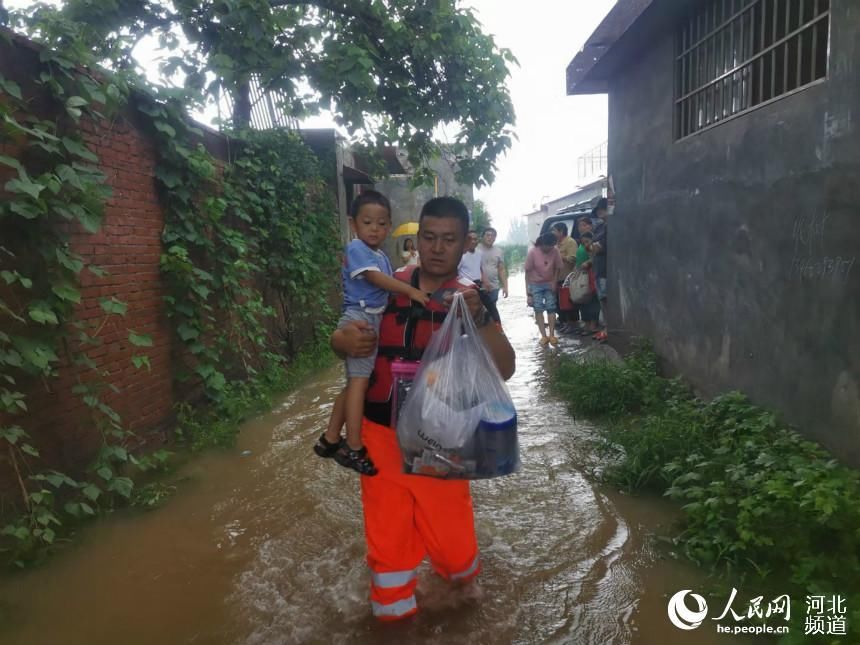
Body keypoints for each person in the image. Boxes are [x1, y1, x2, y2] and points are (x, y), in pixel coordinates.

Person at [330, 196, 515, 621]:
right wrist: (340, 342)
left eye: (448, 239)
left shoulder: (472, 300)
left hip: (442, 438)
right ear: (417, 239)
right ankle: (393, 619)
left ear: (465, 243)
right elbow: (342, 336)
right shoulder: (386, 283)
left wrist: (482, 320)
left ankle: (463, 598)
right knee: (388, 542)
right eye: (428, 237)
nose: (436, 247)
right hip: (379, 435)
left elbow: (504, 369)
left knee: (454, 551)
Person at [314, 191, 429, 475]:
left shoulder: (379, 255)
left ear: (389, 227)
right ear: (354, 224)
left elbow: (386, 287)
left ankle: (329, 439)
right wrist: (412, 291)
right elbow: (377, 280)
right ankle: (353, 447)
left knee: (353, 384)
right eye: (367, 222)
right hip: (361, 320)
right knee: (359, 385)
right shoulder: (356, 249)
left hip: (373, 319)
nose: (374, 229)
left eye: (381, 223)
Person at [525, 232, 564, 346]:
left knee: (551, 307)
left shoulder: (555, 251)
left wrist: (554, 282)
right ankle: (543, 336)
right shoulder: (533, 252)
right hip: (535, 284)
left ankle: (552, 334)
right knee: (538, 309)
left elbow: (557, 268)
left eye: (552, 246)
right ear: (542, 244)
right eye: (548, 246)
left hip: (549, 283)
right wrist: (528, 293)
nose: (550, 249)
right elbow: (527, 273)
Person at [551, 222, 578, 334]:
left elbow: (573, 258)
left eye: (554, 231)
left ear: (561, 231)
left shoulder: (570, 242)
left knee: (569, 302)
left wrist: (561, 257)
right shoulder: (556, 243)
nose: (553, 233)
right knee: (561, 302)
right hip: (558, 277)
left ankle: (573, 324)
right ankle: (566, 323)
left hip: (568, 276)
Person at [574, 231, 601, 337]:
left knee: (594, 301)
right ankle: (587, 324)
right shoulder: (588, 251)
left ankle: (593, 325)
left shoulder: (597, 250)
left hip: (594, 277)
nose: (586, 244)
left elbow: (596, 259)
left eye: (587, 241)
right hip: (587, 278)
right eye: (583, 243)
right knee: (585, 300)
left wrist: (588, 262)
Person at [478, 227, 508, 322]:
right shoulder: (476, 249)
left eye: (493, 236)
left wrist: (505, 286)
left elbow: (501, 269)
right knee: (478, 311)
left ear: (495, 238)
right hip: (478, 286)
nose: (490, 238)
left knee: (492, 310)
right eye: (488, 235)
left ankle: (492, 332)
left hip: (494, 286)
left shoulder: (499, 251)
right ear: (482, 237)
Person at [591, 198, 609, 342]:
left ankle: (608, 329)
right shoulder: (600, 227)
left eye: (601, 209)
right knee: (602, 300)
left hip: (605, 269)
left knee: (606, 300)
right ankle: (605, 328)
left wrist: (595, 247)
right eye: (598, 210)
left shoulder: (610, 227)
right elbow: (592, 247)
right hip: (598, 269)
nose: (599, 212)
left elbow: (599, 247)